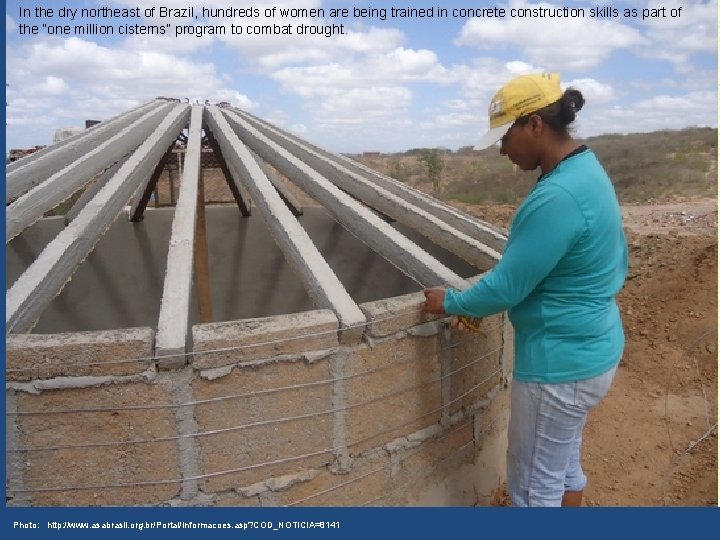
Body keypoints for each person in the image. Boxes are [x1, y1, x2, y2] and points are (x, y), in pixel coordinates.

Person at [421, 73, 628, 507]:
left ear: (534, 124)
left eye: (505, 136)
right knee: (563, 467)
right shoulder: (585, 169)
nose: (502, 150)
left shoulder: (559, 195)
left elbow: (507, 286)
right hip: (592, 348)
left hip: (559, 368)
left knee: (535, 491)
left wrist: (452, 302)